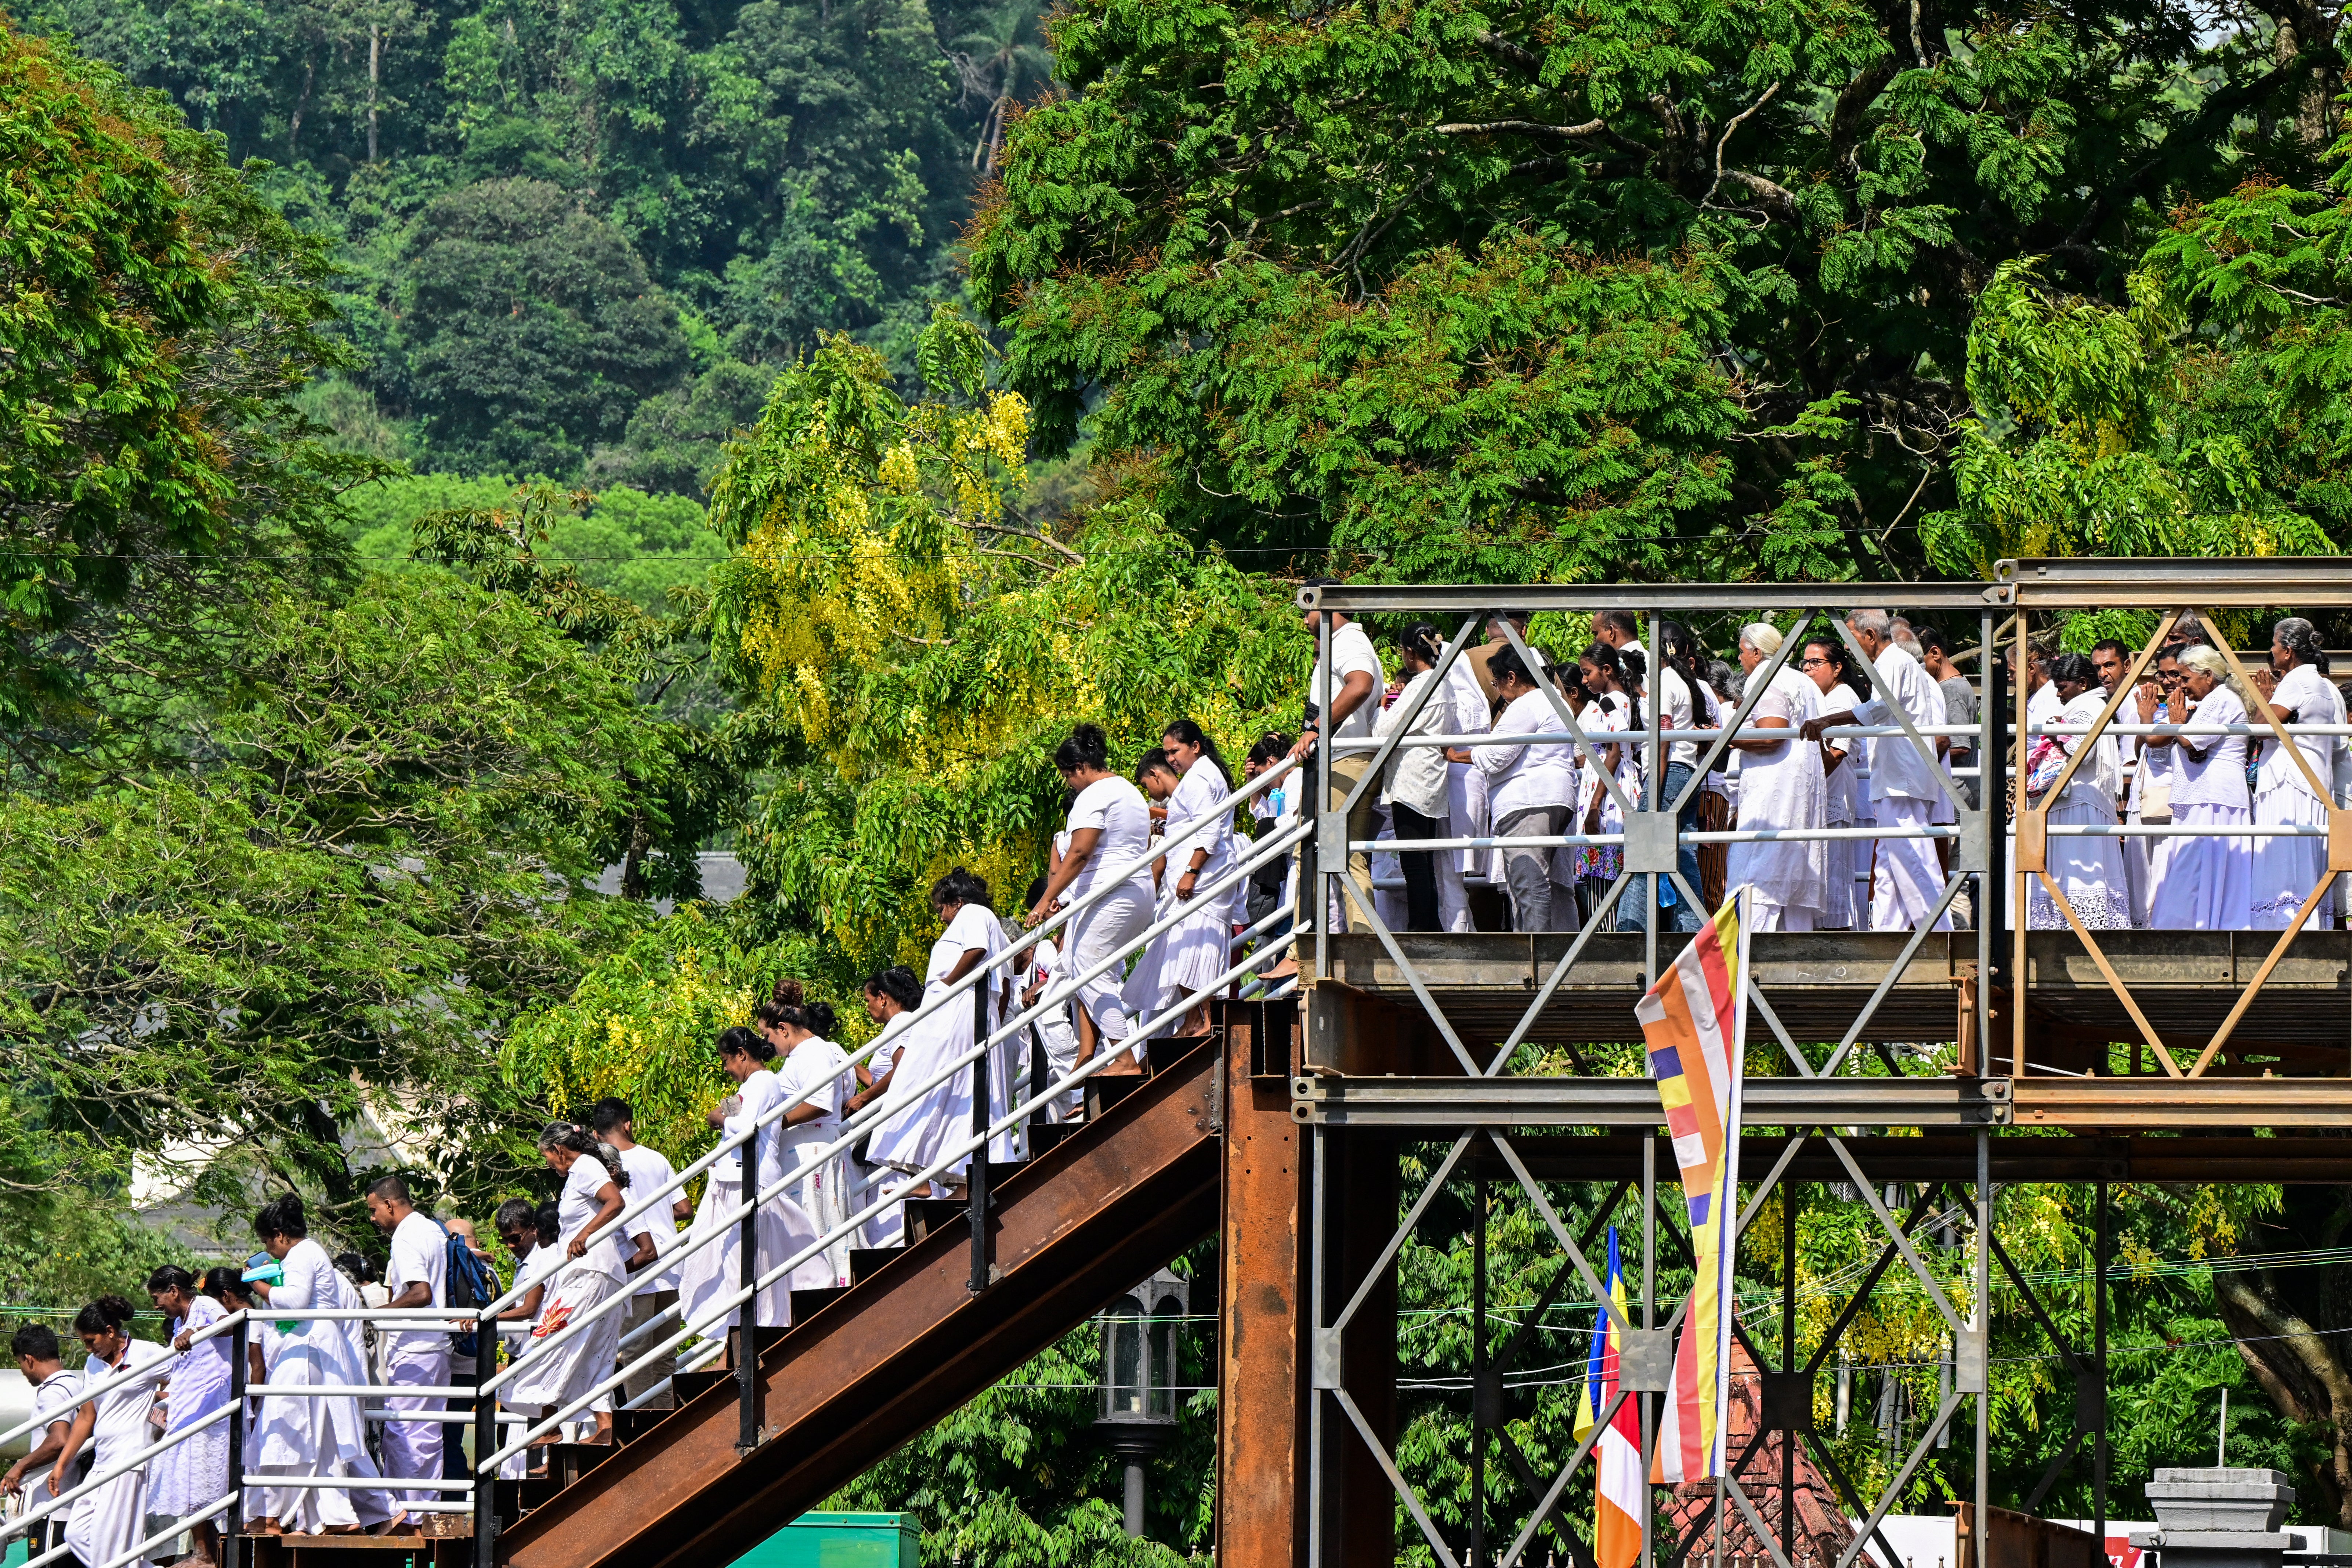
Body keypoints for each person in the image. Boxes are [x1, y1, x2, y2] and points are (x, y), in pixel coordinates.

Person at [247, 1196, 395, 1536]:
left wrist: (259, 1286)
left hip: (309, 1348)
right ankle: (334, 1515)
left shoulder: (301, 1254)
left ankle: (269, 1513)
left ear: (280, 1235)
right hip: (315, 1346)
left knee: (280, 1426)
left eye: (268, 1241)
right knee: (321, 1436)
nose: (269, 1248)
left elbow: (296, 1302)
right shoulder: (310, 1252)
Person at [675, 1033, 833, 1337]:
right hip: (737, 1182)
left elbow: (742, 1124)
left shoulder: (763, 1082)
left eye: (726, 1061)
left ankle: (745, 1338)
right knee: (739, 1265)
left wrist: (721, 1118)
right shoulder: (751, 1087)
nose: (725, 1069)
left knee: (741, 1267)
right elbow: (725, 1111)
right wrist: (719, 1115)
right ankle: (741, 1338)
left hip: (747, 1183)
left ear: (742, 1054)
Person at [1803, 610, 1953, 932]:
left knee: (1913, 858)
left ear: (1870, 636)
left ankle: (1942, 934)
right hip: (1901, 776)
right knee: (1888, 866)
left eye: (1852, 639)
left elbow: (1880, 708)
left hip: (1901, 778)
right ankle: (1886, 935)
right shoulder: (1899, 664)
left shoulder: (1891, 662)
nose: (1850, 648)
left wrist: (1829, 720)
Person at [1024, 727, 1155, 1072]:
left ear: (1080, 767)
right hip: (1135, 891)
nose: (1070, 784)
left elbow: (1081, 853)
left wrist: (1045, 900)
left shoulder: (1094, 795)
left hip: (1112, 894)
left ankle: (1124, 1056)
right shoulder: (1129, 791)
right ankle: (1097, 1053)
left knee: (1086, 970)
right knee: (1087, 969)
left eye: (1069, 775)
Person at [509, 1124, 638, 1444]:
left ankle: (550, 1424)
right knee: (595, 1350)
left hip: (592, 1272)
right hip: (598, 1272)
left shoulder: (584, 1167)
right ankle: (602, 1425)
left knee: (546, 1340)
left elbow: (615, 1202)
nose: (550, 1164)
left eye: (548, 1157)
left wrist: (584, 1235)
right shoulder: (579, 1173)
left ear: (560, 1150)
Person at [870, 870, 1003, 1179]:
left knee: (923, 1080)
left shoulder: (973, 914)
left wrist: (946, 984)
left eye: (941, 910)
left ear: (956, 903)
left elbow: (977, 950)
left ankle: (915, 1154)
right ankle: (952, 1172)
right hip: (961, 1009)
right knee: (955, 1089)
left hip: (957, 1009)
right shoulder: (985, 919)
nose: (941, 918)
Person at [1289, 579, 1385, 929]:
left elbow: (1361, 684)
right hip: (1344, 759)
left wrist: (1317, 728)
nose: (1304, 621)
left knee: (1313, 851)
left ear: (1324, 603)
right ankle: (1358, 937)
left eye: (1307, 608)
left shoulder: (1348, 640)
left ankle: (1303, 947)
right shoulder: (1340, 642)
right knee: (1341, 856)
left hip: (1344, 761)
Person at [51, 1297, 172, 1568]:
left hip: (130, 1460)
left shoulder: (146, 1352)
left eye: (91, 1340)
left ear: (110, 1331)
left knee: (112, 1545)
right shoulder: (93, 1364)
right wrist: (62, 1464)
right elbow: (86, 1415)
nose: (88, 1348)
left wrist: (163, 1402)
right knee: (77, 1533)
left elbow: (187, 1378)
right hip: (103, 1459)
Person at [2143, 644, 2254, 929]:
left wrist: (2178, 722)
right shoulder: (2213, 700)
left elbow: (2191, 741)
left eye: (2185, 677)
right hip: (2204, 797)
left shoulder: (2221, 699)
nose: (2181, 684)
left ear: (2208, 675)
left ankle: (2186, 931)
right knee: (2196, 870)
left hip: (2213, 799)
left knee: (2193, 870)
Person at [589, 1098, 690, 1409]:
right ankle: (664, 1423)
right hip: (671, 1265)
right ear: (628, 1123)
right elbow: (684, 1208)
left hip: (637, 1270)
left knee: (635, 1356)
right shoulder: (656, 1159)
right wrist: (658, 1217)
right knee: (665, 1357)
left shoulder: (604, 1169)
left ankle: (643, 1427)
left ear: (596, 1134)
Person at [1726, 624, 1829, 930]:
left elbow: (1773, 734)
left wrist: (1727, 737)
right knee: (1792, 875)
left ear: (1757, 653)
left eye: (1743, 652)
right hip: (1801, 791)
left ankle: (1746, 960)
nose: (1741, 660)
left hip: (1774, 792)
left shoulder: (1764, 677)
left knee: (1759, 874)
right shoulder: (1804, 681)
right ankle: (1795, 971)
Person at [2250, 617, 2346, 928]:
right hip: (2313, 784)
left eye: (2275, 645)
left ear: (2288, 651)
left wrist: (2264, 699)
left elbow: (2262, 728)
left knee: (2284, 859)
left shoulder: (2295, 682)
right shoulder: (2322, 684)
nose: (2272, 651)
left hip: (2288, 785)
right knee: (2305, 858)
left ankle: (2283, 925)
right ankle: (2307, 922)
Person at [2023, 652, 2129, 930]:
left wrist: (2056, 731)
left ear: (2082, 683)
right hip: (2075, 802)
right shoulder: (2085, 707)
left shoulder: (2089, 708)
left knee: (2081, 874)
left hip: (2081, 805)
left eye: (2061, 687)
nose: (2058, 694)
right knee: (2068, 876)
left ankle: (2080, 931)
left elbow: (2081, 749)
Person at [360, 1175, 445, 1522]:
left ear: (390, 1205)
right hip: (436, 1345)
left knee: (404, 1434)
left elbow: (421, 1292)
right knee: (426, 1434)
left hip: (416, 1346)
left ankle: (410, 1518)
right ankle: (425, 1513)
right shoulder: (433, 1229)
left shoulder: (406, 1237)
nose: (372, 1217)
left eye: (373, 1210)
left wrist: (378, 1314)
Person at [758, 988, 856, 1287]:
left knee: (819, 1225)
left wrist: (777, 1121)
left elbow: (820, 1102)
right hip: (803, 1151)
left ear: (784, 1029)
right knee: (811, 1225)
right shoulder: (802, 1055)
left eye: (767, 1035)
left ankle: (828, 1291)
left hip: (813, 1150)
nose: (767, 1043)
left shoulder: (813, 1052)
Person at [1615, 621, 1708, 933]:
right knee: (1683, 855)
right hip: (1687, 772)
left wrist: (1653, 790)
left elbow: (1663, 737)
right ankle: (1693, 928)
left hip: (1668, 772)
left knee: (1644, 852)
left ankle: (1631, 930)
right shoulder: (1685, 680)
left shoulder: (1665, 681)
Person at [1476, 645, 1575, 931]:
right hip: (1552, 798)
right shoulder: (1556, 701)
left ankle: (1538, 965)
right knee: (1542, 886)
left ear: (1511, 677)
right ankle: (1538, 958)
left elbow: (1494, 756)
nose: (1497, 690)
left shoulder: (1528, 703)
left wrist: (1474, 753)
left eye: (1496, 682)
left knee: (1529, 885)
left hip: (1528, 802)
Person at [1152, 719, 1244, 1024]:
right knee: (1186, 956)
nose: (1170, 759)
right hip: (1201, 878)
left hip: (1203, 880)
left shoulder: (1200, 779)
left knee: (1191, 953)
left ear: (1195, 747)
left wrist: (1190, 872)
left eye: (1175, 751)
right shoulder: (1200, 775)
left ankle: (1201, 1022)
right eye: (1166, 754)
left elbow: (1208, 832)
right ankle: (1195, 1020)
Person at [145, 1267, 234, 1567]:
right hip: (189, 1409)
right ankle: (205, 1552)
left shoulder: (205, 1306)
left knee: (204, 1482)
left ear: (173, 1291)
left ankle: (206, 1554)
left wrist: (196, 1332)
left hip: (209, 1409)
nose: (156, 1305)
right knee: (191, 1483)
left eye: (158, 1297)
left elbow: (229, 1325)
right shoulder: (180, 1320)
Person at [1372, 629, 1455, 933]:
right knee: (1424, 863)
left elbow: (1384, 732)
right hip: (1433, 779)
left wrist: (1383, 706)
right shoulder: (1446, 686)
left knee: (1414, 865)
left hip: (1409, 782)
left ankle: (1421, 927)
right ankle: (1429, 924)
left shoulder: (1418, 686)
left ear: (1410, 652)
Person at [844, 969, 923, 1245]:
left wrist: (863, 1098)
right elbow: (879, 1078)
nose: (866, 1007)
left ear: (882, 997)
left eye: (868, 1000)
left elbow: (901, 1070)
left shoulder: (900, 1022)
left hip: (899, 1124)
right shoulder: (901, 1025)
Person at [1799, 638, 1867, 930]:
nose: (1808, 668)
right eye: (1805, 662)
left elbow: (1837, 753)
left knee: (1833, 885)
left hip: (1834, 803)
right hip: (1820, 803)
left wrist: (1801, 785)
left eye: (1816, 662)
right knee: (1821, 882)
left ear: (1837, 668)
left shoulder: (1842, 698)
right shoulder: (1821, 698)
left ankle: (1837, 954)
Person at [4, 1324, 84, 1567]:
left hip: (53, 1510)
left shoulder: (52, 1392)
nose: (23, 1371)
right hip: (74, 1506)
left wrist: (20, 1467)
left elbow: (59, 1439)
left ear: (29, 1359)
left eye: (20, 1363)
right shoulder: (76, 1385)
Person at [1016, 879, 1084, 1121]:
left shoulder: (1063, 936)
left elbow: (1064, 975)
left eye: (1041, 916)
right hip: (1081, 1010)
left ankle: (1083, 1087)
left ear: (1053, 906)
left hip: (1085, 1009)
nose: (1045, 923)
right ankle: (1081, 1089)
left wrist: (1041, 985)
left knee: (1050, 1017)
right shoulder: (1063, 935)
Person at [1918, 627, 1979, 812]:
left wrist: (1919, 762)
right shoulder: (1953, 685)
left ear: (1935, 653)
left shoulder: (1950, 690)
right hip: (1957, 791)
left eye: (1920, 662)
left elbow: (1960, 747)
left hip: (1955, 793)